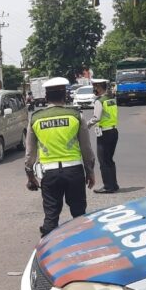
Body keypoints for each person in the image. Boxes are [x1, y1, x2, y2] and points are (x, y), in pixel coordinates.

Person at [24, 77, 96, 237]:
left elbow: (30, 153)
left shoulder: (35, 118)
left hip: (49, 174)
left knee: (51, 216)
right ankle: (85, 246)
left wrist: (30, 176)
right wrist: (90, 172)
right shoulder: (76, 115)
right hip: (74, 172)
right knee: (79, 214)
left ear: (46, 96)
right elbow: (86, 148)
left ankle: (47, 253)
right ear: (65, 95)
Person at [87, 79, 119, 194]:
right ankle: (114, 184)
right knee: (109, 160)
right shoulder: (111, 99)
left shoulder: (99, 101)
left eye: (95, 86)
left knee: (103, 161)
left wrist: (87, 125)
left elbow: (97, 118)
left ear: (99, 87)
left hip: (104, 133)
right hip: (113, 131)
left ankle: (108, 186)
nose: (94, 89)